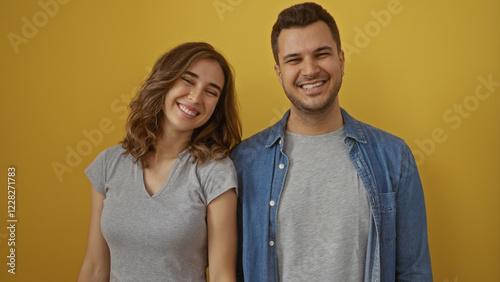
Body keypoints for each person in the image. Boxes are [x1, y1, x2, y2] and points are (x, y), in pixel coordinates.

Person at [231, 2, 432, 281]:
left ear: (341, 60)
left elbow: (413, 271)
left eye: (321, 54)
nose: (310, 69)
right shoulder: (244, 162)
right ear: (279, 73)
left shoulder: (394, 157)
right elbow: (234, 270)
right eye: (294, 59)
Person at [78, 42, 241, 282]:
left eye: (211, 91)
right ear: (165, 80)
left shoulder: (215, 172)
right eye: (188, 80)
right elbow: (94, 266)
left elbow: (221, 275)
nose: (196, 97)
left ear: (216, 107)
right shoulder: (109, 164)